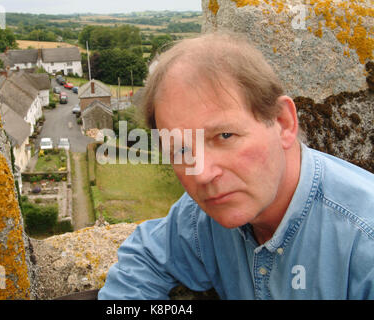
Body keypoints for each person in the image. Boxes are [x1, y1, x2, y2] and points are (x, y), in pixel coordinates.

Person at [97, 32, 374, 299]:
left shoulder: (363, 242)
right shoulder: (203, 218)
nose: (203, 174)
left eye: (225, 136)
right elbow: (146, 257)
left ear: (283, 123)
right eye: (181, 150)